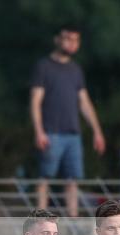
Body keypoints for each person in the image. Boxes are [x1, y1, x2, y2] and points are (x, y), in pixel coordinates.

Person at [31, 25, 106, 218]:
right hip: (51, 132)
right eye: (67, 38)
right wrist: (39, 131)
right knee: (45, 178)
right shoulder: (43, 66)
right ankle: (40, 220)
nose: (72, 43)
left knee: (73, 180)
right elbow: (35, 101)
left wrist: (97, 131)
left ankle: (72, 220)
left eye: (76, 40)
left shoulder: (75, 70)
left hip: (73, 134)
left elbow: (84, 102)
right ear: (57, 39)